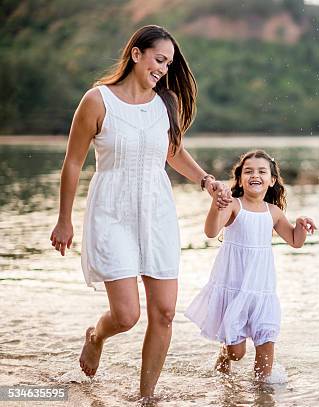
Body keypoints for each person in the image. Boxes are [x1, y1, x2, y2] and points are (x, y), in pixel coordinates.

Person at [48, 25, 232, 400]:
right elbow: (72, 164)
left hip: (157, 212)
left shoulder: (166, 104)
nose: (164, 69)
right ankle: (96, 336)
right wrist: (64, 219)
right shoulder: (97, 101)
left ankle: (146, 397)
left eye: (169, 64)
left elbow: (173, 152)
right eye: (159, 60)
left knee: (164, 313)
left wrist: (206, 181)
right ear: (136, 54)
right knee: (127, 315)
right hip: (111, 213)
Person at [185, 150, 317, 381]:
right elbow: (211, 231)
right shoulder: (234, 205)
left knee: (265, 352)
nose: (255, 175)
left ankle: (263, 393)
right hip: (235, 287)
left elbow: (295, 242)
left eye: (261, 171)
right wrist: (216, 206)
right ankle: (224, 358)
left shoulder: (273, 211)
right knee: (237, 354)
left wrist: (300, 226)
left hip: (262, 290)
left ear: (272, 180)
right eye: (248, 171)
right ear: (240, 179)